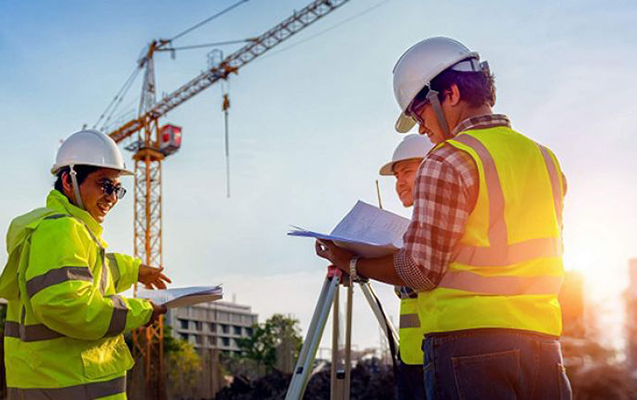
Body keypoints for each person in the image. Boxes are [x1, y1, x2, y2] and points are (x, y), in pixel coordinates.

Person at [315, 37, 572, 399]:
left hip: (470, 351)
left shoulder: (447, 159)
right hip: (545, 347)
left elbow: (420, 270)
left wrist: (352, 262)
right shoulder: (545, 160)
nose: (422, 129)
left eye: (420, 114)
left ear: (448, 94)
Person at [0, 129, 171, 399]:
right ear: (68, 181)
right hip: (64, 388)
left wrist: (134, 270)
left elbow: (93, 271)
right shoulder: (60, 229)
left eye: (117, 189)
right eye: (105, 185)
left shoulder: (72, 230)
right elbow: (68, 306)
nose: (112, 198)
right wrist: (140, 311)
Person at [379, 134, 431, 400]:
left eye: (407, 173)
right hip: (412, 358)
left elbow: (417, 280)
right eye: (397, 177)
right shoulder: (412, 228)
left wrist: (361, 264)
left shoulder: (433, 226)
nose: (399, 183)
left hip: (436, 359)